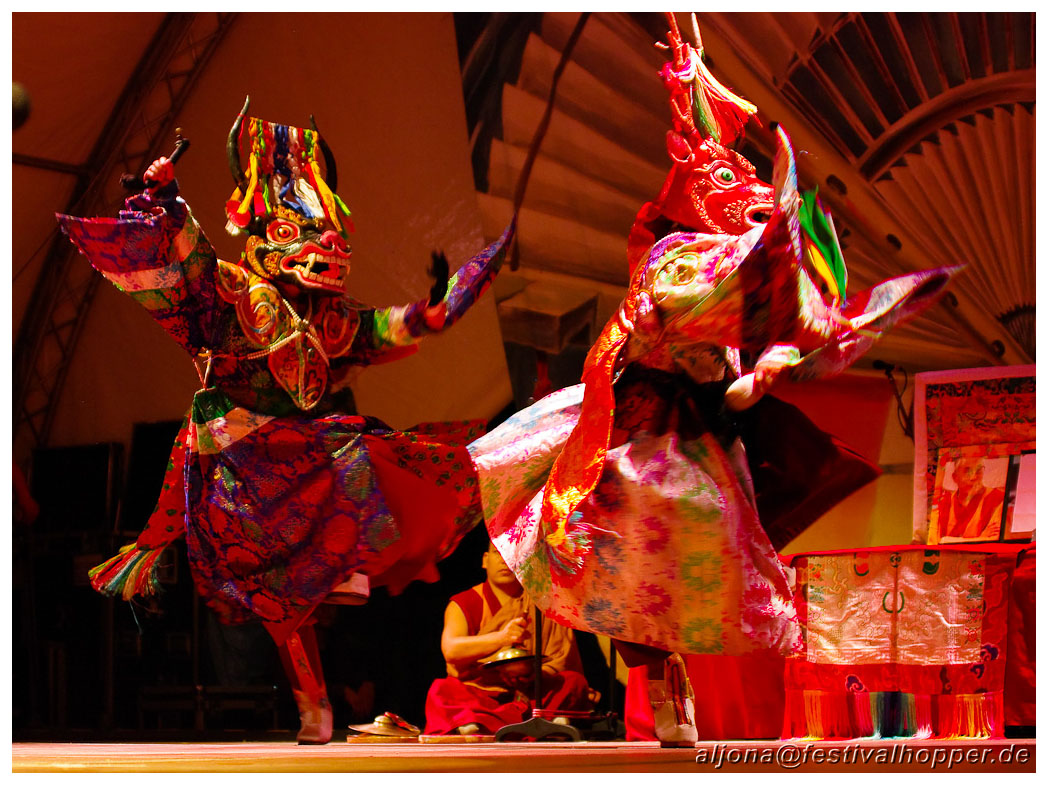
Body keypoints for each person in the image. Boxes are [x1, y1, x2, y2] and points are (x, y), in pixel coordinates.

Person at [466, 15, 958, 746]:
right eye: (730, 181)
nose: (749, 195)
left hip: (697, 441)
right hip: (632, 435)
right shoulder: (676, 258)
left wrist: (767, 370)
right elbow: (689, 308)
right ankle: (664, 686)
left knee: (691, 561)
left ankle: (672, 684)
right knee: (614, 568)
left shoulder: (736, 264)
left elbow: (751, 339)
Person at [58, 99, 512, 744]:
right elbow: (189, 261)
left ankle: (340, 594)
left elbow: (391, 325)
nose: (320, 264)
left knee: (360, 444)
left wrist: (446, 303)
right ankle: (313, 705)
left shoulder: (332, 317)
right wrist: (169, 198)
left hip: (291, 453)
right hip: (232, 458)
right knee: (280, 602)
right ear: (273, 246)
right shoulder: (237, 292)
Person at [423, 540, 595, 736]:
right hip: (482, 692)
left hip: (533, 693)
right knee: (443, 689)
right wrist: (502, 638)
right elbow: (452, 651)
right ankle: (475, 721)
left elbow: (561, 657)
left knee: (573, 681)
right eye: (498, 554)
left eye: (513, 556)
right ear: (485, 560)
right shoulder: (465, 602)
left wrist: (536, 675)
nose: (505, 562)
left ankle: (550, 721)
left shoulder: (543, 602)